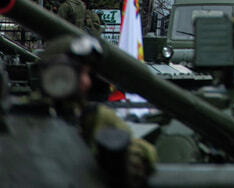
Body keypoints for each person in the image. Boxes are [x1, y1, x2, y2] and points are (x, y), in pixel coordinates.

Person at [37, 35, 157, 187]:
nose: (87, 81)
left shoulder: (94, 118)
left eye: (87, 73)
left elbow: (144, 152)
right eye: (81, 73)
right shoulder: (27, 117)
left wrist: (128, 156)